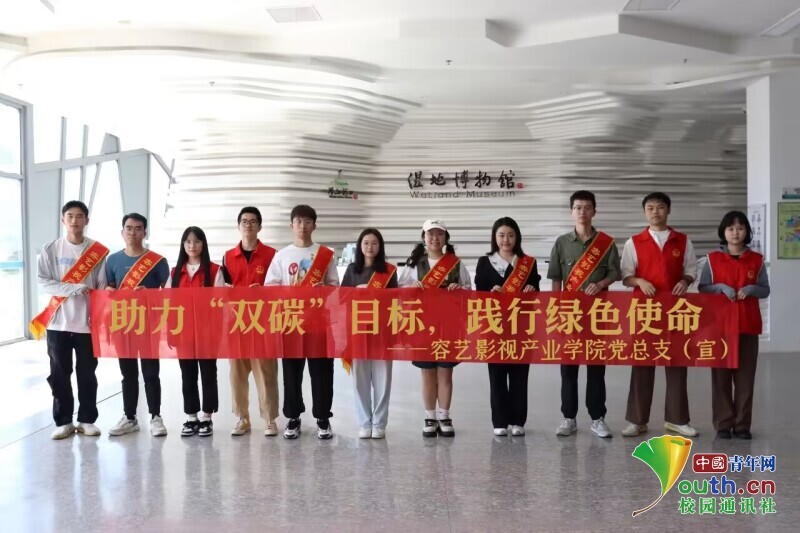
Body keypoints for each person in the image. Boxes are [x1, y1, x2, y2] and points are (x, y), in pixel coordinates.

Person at [621, 192, 698, 438]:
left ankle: (677, 420)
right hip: (645, 312)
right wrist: (639, 281)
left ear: (668, 210)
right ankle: (637, 420)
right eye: (651, 208)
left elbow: (691, 270)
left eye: (661, 207)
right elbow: (626, 275)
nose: (656, 212)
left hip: (676, 311)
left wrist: (685, 281)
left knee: (677, 363)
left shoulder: (682, 241)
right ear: (645, 212)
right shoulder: (635, 242)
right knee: (642, 364)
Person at [33, 200, 109, 440]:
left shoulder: (96, 251)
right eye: (70, 216)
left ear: (87, 220)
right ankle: (63, 421)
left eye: (79, 216)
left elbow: (102, 285)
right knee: (59, 374)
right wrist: (73, 288)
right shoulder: (50, 249)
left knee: (87, 374)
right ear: (63, 220)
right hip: (58, 322)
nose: (74, 221)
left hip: (87, 324)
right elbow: (44, 281)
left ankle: (87, 420)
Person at [547, 191, 620, 439]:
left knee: (596, 367)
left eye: (587, 207)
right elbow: (556, 278)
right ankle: (569, 418)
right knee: (568, 368)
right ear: (571, 212)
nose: (582, 212)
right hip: (569, 315)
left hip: (598, 315)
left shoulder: (606, 243)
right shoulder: (561, 243)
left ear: (594, 211)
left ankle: (597, 418)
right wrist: (555, 311)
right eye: (578, 207)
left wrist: (600, 284)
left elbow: (614, 273)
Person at [265, 204, 339, 440]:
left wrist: (323, 288)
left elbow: (335, 288)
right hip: (291, 321)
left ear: (314, 226)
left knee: (322, 371)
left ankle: (323, 417)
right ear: (291, 225)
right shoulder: (281, 256)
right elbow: (270, 287)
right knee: (291, 373)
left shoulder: (325, 254)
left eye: (307, 221)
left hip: (319, 321)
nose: (302, 226)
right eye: (298, 221)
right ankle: (293, 416)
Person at [699, 211, 770, 440]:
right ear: (724, 232)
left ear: (747, 231)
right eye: (731, 228)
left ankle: (742, 425)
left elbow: (765, 290)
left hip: (747, 326)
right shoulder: (712, 260)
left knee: (745, 378)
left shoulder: (757, 260)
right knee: (720, 378)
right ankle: (723, 424)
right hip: (719, 328)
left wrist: (751, 289)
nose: (736, 232)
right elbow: (703, 287)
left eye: (740, 228)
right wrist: (720, 287)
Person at [398, 219, 471, 437]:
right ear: (423, 238)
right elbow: (399, 291)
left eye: (439, 234)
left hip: (449, 325)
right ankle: (430, 416)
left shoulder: (455, 263)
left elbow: (469, 290)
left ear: (446, 238)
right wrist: (411, 287)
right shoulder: (414, 264)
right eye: (430, 234)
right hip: (422, 326)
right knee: (428, 373)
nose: (435, 238)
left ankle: (444, 416)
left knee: (446, 373)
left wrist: (460, 289)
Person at [105, 213, 170, 437]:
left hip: (148, 324)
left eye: (138, 228)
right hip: (123, 323)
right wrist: (109, 292)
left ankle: (156, 417)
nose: (133, 232)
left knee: (151, 372)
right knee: (128, 373)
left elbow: (169, 293)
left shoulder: (158, 261)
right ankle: (130, 417)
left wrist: (150, 294)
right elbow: (109, 289)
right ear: (122, 232)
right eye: (129, 228)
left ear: (145, 232)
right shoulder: (112, 260)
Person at [474, 217, 540, 437]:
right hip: (495, 327)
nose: (506, 240)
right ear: (495, 237)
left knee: (520, 374)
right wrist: (490, 293)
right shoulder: (485, 262)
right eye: (501, 235)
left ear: (517, 237)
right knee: (497, 375)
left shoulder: (528, 263)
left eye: (510, 235)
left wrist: (531, 290)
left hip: (522, 327)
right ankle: (500, 421)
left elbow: (537, 294)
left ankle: (518, 420)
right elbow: (479, 294)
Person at [221, 207, 279, 437]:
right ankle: (242, 417)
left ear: (260, 226)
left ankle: (269, 419)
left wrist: (264, 291)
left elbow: (279, 287)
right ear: (238, 226)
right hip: (236, 323)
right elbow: (221, 289)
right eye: (244, 221)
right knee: (237, 373)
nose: (248, 225)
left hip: (263, 321)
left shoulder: (272, 255)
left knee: (266, 372)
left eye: (253, 221)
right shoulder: (228, 257)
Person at [341, 228, 398, 439]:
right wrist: (358, 291)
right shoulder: (352, 270)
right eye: (366, 243)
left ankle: (379, 423)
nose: (370, 247)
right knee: (360, 380)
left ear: (380, 246)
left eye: (374, 243)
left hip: (382, 330)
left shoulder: (388, 271)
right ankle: (364, 422)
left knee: (383, 379)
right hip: (358, 330)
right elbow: (342, 298)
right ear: (360, 246)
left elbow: (395, 301)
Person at [170, 226, 225, 437]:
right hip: (184, 332)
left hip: (207, 332)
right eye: (188, 241)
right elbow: (169, 304)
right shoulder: (175, 272)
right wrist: (172, 331)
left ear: (203, 244)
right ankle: (191, 417)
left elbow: (220, 303)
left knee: (208, 374)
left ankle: (207, 417)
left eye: (197, 241)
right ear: (183, 245)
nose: (192, 245)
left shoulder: (214, 270)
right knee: (188, 375)